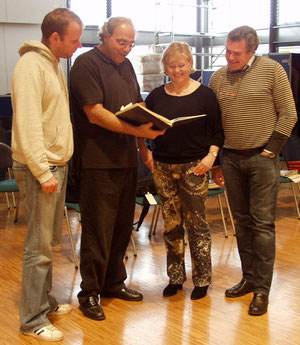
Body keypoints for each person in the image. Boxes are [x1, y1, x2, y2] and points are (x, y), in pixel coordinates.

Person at [69, 17, 164, 321]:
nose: (126, 48)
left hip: (126, 160)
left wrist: (143, 148)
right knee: (98, 229)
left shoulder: (126, 66)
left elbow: (137, 109)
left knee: (123, 227)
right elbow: (95, 114)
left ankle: (113, 283)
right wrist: (140, 135)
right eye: (121, 42)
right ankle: (90, 293)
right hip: (97, 161)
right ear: (105, 36)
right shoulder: (85, 64)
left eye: (131, 43)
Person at [209, 26, 297, 315]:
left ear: (251, 51)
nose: (230, 57)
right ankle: (248, 278)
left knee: (262, 225)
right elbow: (216, 123)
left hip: (262, 158)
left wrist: (272, 148)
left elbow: (289, 113)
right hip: (231, 159)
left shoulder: (272, 71)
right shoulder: (218, 78)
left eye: (237, 53)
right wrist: (219, 160)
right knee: (242, 223)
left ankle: (262, 289)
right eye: (227, 51)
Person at [11, 8, 83, 342]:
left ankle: (44, 300)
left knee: (49, 243)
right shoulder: (30, 66)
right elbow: (27, 124)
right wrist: (42, 171)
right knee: (37, 248)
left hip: (56, 165)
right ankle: (32, 319)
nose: (78, 45)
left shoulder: (52, 65)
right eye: (74, 39)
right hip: (42, 169)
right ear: (54, 37)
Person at [138, 42, 224, 300]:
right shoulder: (156, 95)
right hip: (163, 166)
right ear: (165, 67)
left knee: (197, 225)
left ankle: (202, 279)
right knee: (172, 224)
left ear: (191, 65)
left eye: (181, 65)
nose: (177, 71)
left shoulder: (205, 95)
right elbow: (145, 128)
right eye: (172, 66)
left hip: (195, 167)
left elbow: (218, 131)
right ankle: (175, 277)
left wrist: (211, 158)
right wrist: (147, 151)